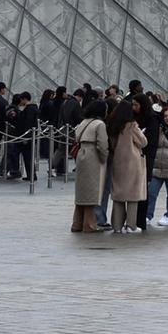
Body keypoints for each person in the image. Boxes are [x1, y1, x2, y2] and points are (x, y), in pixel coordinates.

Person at [108, 101, 146, 233]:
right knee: (133, 196)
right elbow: (143, 142)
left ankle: (117, 226)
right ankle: (131, 225)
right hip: (132, 163)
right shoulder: (131, 125)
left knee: (118, 195)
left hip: (118, 162)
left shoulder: (112, 125)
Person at [71, 99, 108, 233]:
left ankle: (77, 223)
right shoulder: (100, 124)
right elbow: (103, 145)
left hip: (81, 154)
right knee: (92, 191)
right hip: (93, 155)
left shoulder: (83, 122)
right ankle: (90, 224)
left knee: (82, 191)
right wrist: (104, 158)